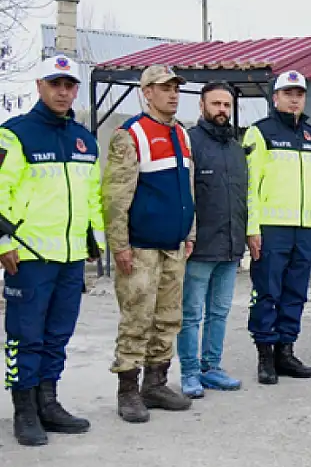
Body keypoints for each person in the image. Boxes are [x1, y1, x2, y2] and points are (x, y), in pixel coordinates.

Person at [0, 55, 104, 446]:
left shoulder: (84, 139)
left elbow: (91, 197)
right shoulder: (14, 134)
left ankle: (49, 401)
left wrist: (94, 242)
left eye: (69, 85)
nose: (63, 92)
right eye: (55, 84)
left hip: (71, 256)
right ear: (40, 86)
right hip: (27, 256)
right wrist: (3, 242)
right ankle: (24, 409)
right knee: (25, 335)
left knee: (58, 334)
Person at [103, 64, 196, 423]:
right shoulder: (131, 134)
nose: (172, 93)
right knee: (137, 319)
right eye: (164, 87)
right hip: (140, 247)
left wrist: (190, 232)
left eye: (175, 87)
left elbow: (187, 190)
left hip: (174, 245)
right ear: (147, 92)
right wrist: (119, 245)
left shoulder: (182, 135)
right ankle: (128, 389)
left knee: (169, 318)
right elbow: (116, 196)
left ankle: (155, 384)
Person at [243, 70, 311, 384]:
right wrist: (253, 228)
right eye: (288, 93)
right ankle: (265, 356)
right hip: (271, 228)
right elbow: (251, 185)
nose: (294, 99)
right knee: (267, 292)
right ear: (275, 97)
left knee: (295, 293)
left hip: (303, 229)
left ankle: (285, 352)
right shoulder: (259, 133)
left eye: (299, 94)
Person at [177, 82, 247, 398]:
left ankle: (211, 367)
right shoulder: (190, 142)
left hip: (230, 247)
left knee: (219, 312)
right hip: (199, 246)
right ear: (202, 106)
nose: (222, 110)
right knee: (192, 313)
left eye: (227, 105)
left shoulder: (235, 147)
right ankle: (190, 372)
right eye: (216, 104)